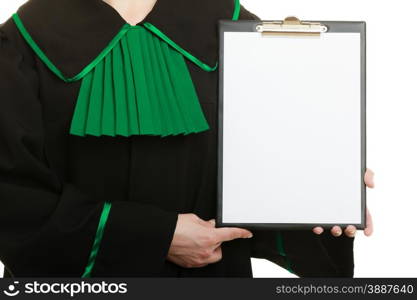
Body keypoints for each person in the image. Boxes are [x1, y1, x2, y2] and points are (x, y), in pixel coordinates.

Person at [0, 0, 375, 278]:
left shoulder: (240, 31)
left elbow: (272, 155)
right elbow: (11, 197)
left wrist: (323, 189)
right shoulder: (19, 44)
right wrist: (156, 237)